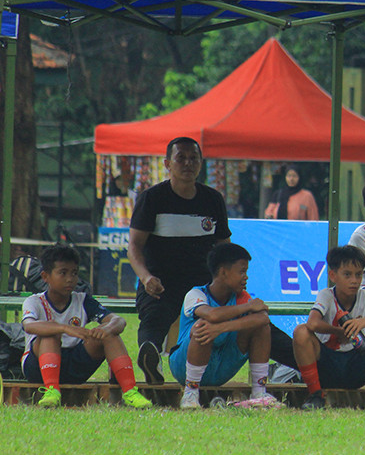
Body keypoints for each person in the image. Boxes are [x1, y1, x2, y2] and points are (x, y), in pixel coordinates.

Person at [128, 137, 231, 385]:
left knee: (243, 319)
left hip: (202, 284)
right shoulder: (151, 199)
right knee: (155, 315)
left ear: (201, 164)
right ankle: (150, 355)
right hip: (160, 281)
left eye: (193, 158)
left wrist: (226, 281)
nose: (187, 164)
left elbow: (224, 248)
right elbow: (134, 247)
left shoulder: (213, 199)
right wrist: (146, 277)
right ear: (167, 163)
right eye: (180, 158)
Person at [21, 245, 151, 409]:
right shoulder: (34, 301)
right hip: (38, 368)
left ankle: (130, 391)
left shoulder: (82, 300)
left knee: (110, 335)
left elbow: (118, 320)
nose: (70, 278)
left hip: (74, 366)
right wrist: (64, 328)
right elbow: (29, 326)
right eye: (63, 273)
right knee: (50, 334)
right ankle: (51, 390)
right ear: (45, 276)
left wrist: (107, 329)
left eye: (74, 273)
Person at [168, 243, 281, 409]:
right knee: (203, 326)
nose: (246, 277)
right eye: (242, 271)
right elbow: (212, 315)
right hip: (183, 367)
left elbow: (263, 320)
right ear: (223, 272)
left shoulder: (241, 297)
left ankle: (259, 392)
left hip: (220, 368)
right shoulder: (196, 294)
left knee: (261, 327)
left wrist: (221, 328)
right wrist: (248, 307)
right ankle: (190, 394)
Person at [294, 245, 365, 410]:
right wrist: (339, 332)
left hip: (358, 363)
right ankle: (316, 395)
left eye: (358, 275)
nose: (354, 280)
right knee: (301, 332)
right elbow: (312, 323)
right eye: (347, 274)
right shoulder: (326, 295)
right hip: (328, 365)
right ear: (333, 275)